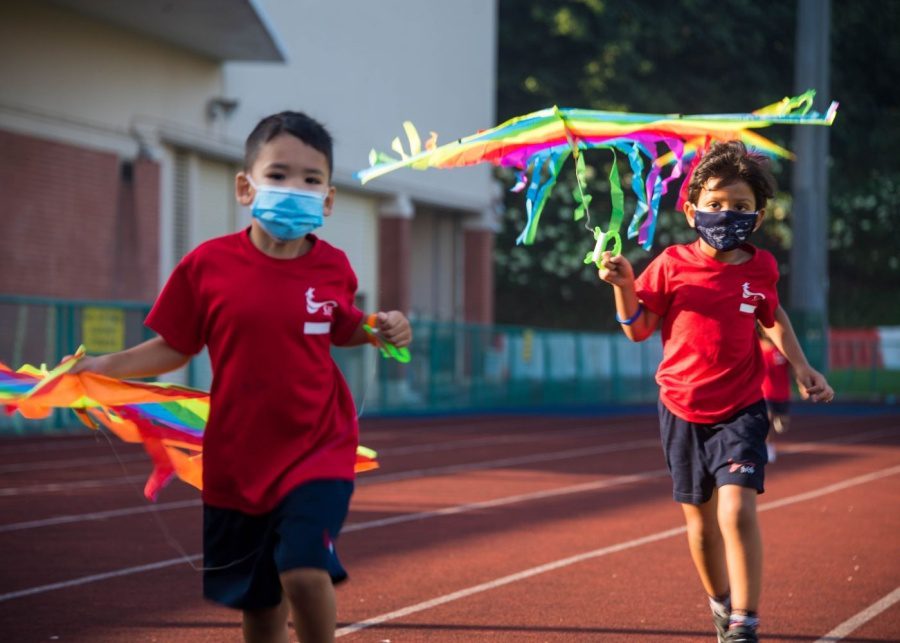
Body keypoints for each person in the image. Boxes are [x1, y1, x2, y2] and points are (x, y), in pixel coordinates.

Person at [72, 111, 412, 643]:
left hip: (318, 449)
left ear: (327, 199)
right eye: (277, 174)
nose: (293, 188)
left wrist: (383, 327)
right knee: (259, 604)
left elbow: (342, 326)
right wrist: (100, 368)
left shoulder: (334, 267)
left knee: (302, 569)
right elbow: (174, 346)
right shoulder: (207, 266)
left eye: (310, 178)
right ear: (245, 185)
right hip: (237, 460)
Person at [597, 140, 833, 643]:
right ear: (691, 210)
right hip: (680, 409)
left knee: (735, 507)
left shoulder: (761, 267)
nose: (727, 214)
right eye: (716, 204)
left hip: (742, 408)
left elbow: (773, 316)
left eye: (741, 207)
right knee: (701, 526)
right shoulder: (670, 263)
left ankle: (746, 621)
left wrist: (802, 367)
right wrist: (624, 284)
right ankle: (722, 605)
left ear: (760, 215)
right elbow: (639, 329)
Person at [759, 329, 792, 463]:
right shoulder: (757, 346)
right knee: (767, 420)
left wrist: (801, 383)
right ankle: (769, 447)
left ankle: (780, 421)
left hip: (782, 392)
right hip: (764, 392)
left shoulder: (782, 348)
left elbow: (794, 367)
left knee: (782, 425)